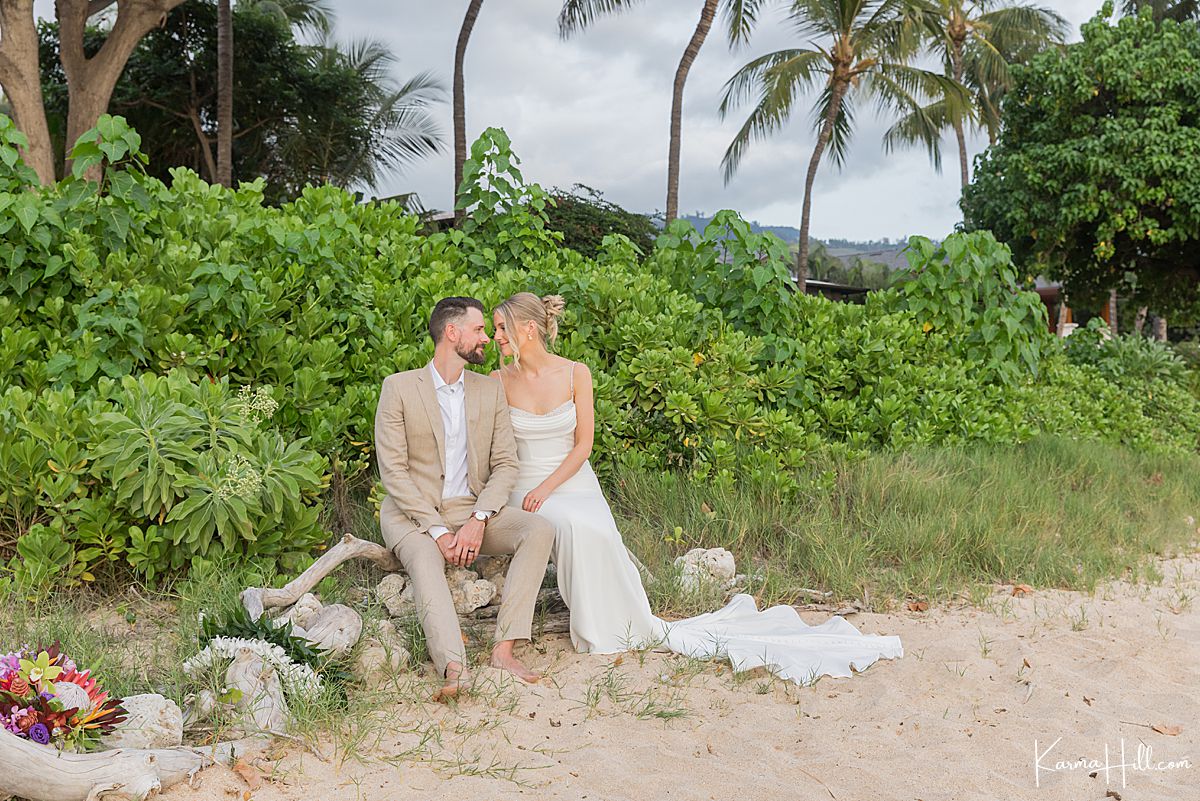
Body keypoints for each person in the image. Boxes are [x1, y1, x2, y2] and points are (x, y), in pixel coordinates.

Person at [490, 292, 903, 684]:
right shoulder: (497, 380)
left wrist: (549, 486)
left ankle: (621, 622)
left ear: (527, 328)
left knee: (596, 529)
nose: (496, 338)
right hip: (523, 486)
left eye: (501, 329)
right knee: (568, 525)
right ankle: (594, 624)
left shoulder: (576, 372)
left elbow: (584, 445)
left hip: (571, 481)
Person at [374, 296, 555, 700]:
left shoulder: (489, 390)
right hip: (411, 513)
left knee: (538, 529)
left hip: (471, 508)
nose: (487, 338)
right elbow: (394, 473)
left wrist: (479, 518)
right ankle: (454, 669)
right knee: (424, 558)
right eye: (478, 330)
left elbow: (507, 464)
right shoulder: (398, 388)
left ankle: (504, 650)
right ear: (451, 333)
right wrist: (437, 530)